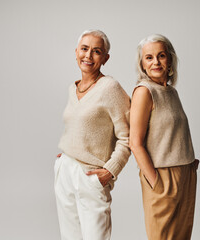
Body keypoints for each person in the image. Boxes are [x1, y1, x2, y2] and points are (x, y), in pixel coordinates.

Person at [54, 29, 130, 240]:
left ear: (105, 58)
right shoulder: (73, 88)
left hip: (90, 175)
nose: (88, 56)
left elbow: (128, 136)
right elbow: (77, 126)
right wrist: (66, 157)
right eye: (84, 49)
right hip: (66, 170)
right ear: (76, 51)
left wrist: (110, 170)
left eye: (96, 51)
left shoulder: (110, 88)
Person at [129, 34, 199, 240]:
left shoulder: (171, 92)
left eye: (161, 55)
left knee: (182, 236)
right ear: (142, 63)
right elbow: (135, 143)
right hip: (162, 176)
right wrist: (155, 181)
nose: (156, 62)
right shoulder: (144, 91)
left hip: (185, 173)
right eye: (149, 57)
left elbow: (172, 132)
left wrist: (189, 163)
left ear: (170, 59)